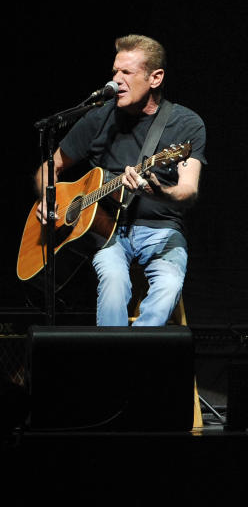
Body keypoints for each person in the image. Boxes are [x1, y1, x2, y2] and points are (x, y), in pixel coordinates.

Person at [35, 34, 207, 326]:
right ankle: (114, 358)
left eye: (126, 72)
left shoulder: (186, 124)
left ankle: (132, 352)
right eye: (115, 71)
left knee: (167, 285)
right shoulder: (98, 118)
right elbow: (48, 169)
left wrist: (157, 192)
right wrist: (47, 199)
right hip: (108, 233)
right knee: (114, 284)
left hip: (161, 230)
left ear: (155, 78)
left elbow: (189, 191)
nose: (115, 80)